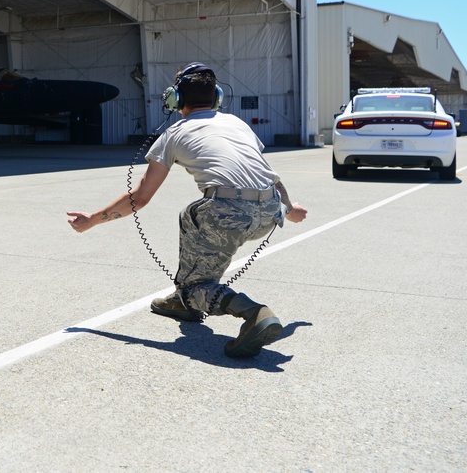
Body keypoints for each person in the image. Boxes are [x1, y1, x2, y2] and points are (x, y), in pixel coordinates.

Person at [66, 63, 308, 358]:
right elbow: (270, 176)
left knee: (197, 221)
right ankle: (186, 300)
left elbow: (140, 198)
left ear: (175, 100)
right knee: (192, 216)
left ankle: (251, 312)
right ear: (217, 98)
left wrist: (92, 220)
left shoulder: (174, 133)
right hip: (270, 212)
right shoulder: (237, 124)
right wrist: (290, 208)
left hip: (226, 212)